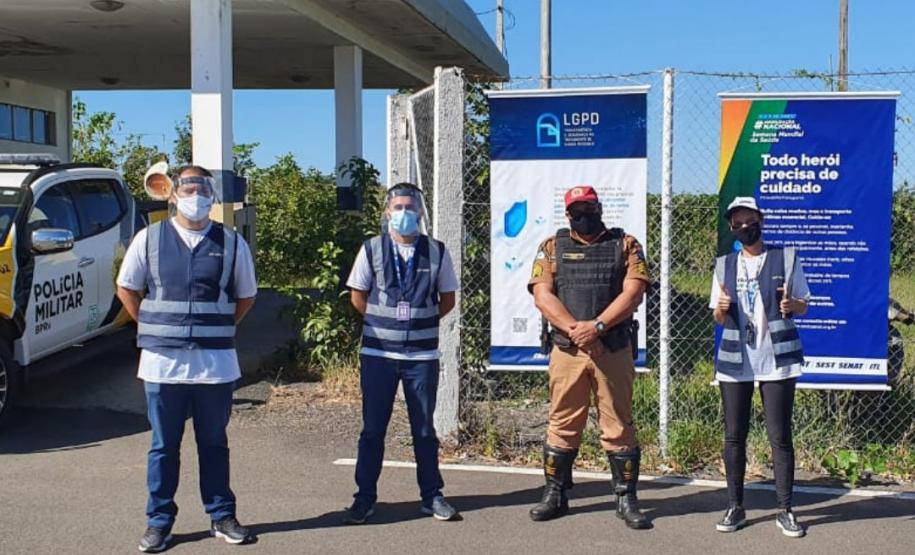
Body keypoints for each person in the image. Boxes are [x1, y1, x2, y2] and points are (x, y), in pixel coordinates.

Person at [116, 165, 257, 552]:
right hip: (162, 363)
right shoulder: (149, 239)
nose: (196, 195)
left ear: (212, 196)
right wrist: (149, 320)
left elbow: (247, 295)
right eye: (188, 187)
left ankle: (222, 515)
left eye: (203, 188)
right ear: (173, 194)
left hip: (215, 364)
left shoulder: (231, 243)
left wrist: (219, 325)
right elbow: (126, 286)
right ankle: (159, 522)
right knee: (164, 446)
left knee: (214, 443)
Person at [527, 185, 651, 529]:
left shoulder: (625, 245)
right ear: (568, 214)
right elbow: (542, 295)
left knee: (618, 425)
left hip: (611, 348)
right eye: (577, 211)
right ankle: (555, 493)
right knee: (562, 422)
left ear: (600, 208)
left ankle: (626, 498)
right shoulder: (552, 247)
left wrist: (596, 327)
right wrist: (576, 330)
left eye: (589, 208)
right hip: (568, 350)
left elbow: (634, 291)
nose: (584, 215)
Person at [344, 182, 460, 524]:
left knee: (424, 430)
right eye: (398, 207)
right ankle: (364, 498)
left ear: (421, 213)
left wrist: (419, 324)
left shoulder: (437, 251)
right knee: (372, 430)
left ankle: (432, 496)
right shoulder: (371, 249)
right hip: (379, 356)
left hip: (421, 357)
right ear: (387, 212)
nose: (404, 213)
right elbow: (357, 295)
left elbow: (448, 299)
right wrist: (386, 326)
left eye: (411, 208)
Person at [709, 196, 810, 538]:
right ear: (730, 227)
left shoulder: (787, 257)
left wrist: (792, 304)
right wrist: (721, 309)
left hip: (777, 359)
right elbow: (719, 316)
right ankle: (735, 506)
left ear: (760, 221)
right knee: (734, 436)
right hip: (737, 362)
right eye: (736, 223)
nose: (743, 228)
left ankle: (785, 509)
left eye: (749, 221)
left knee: (780, 437)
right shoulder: (724, 265)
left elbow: (804, 306)